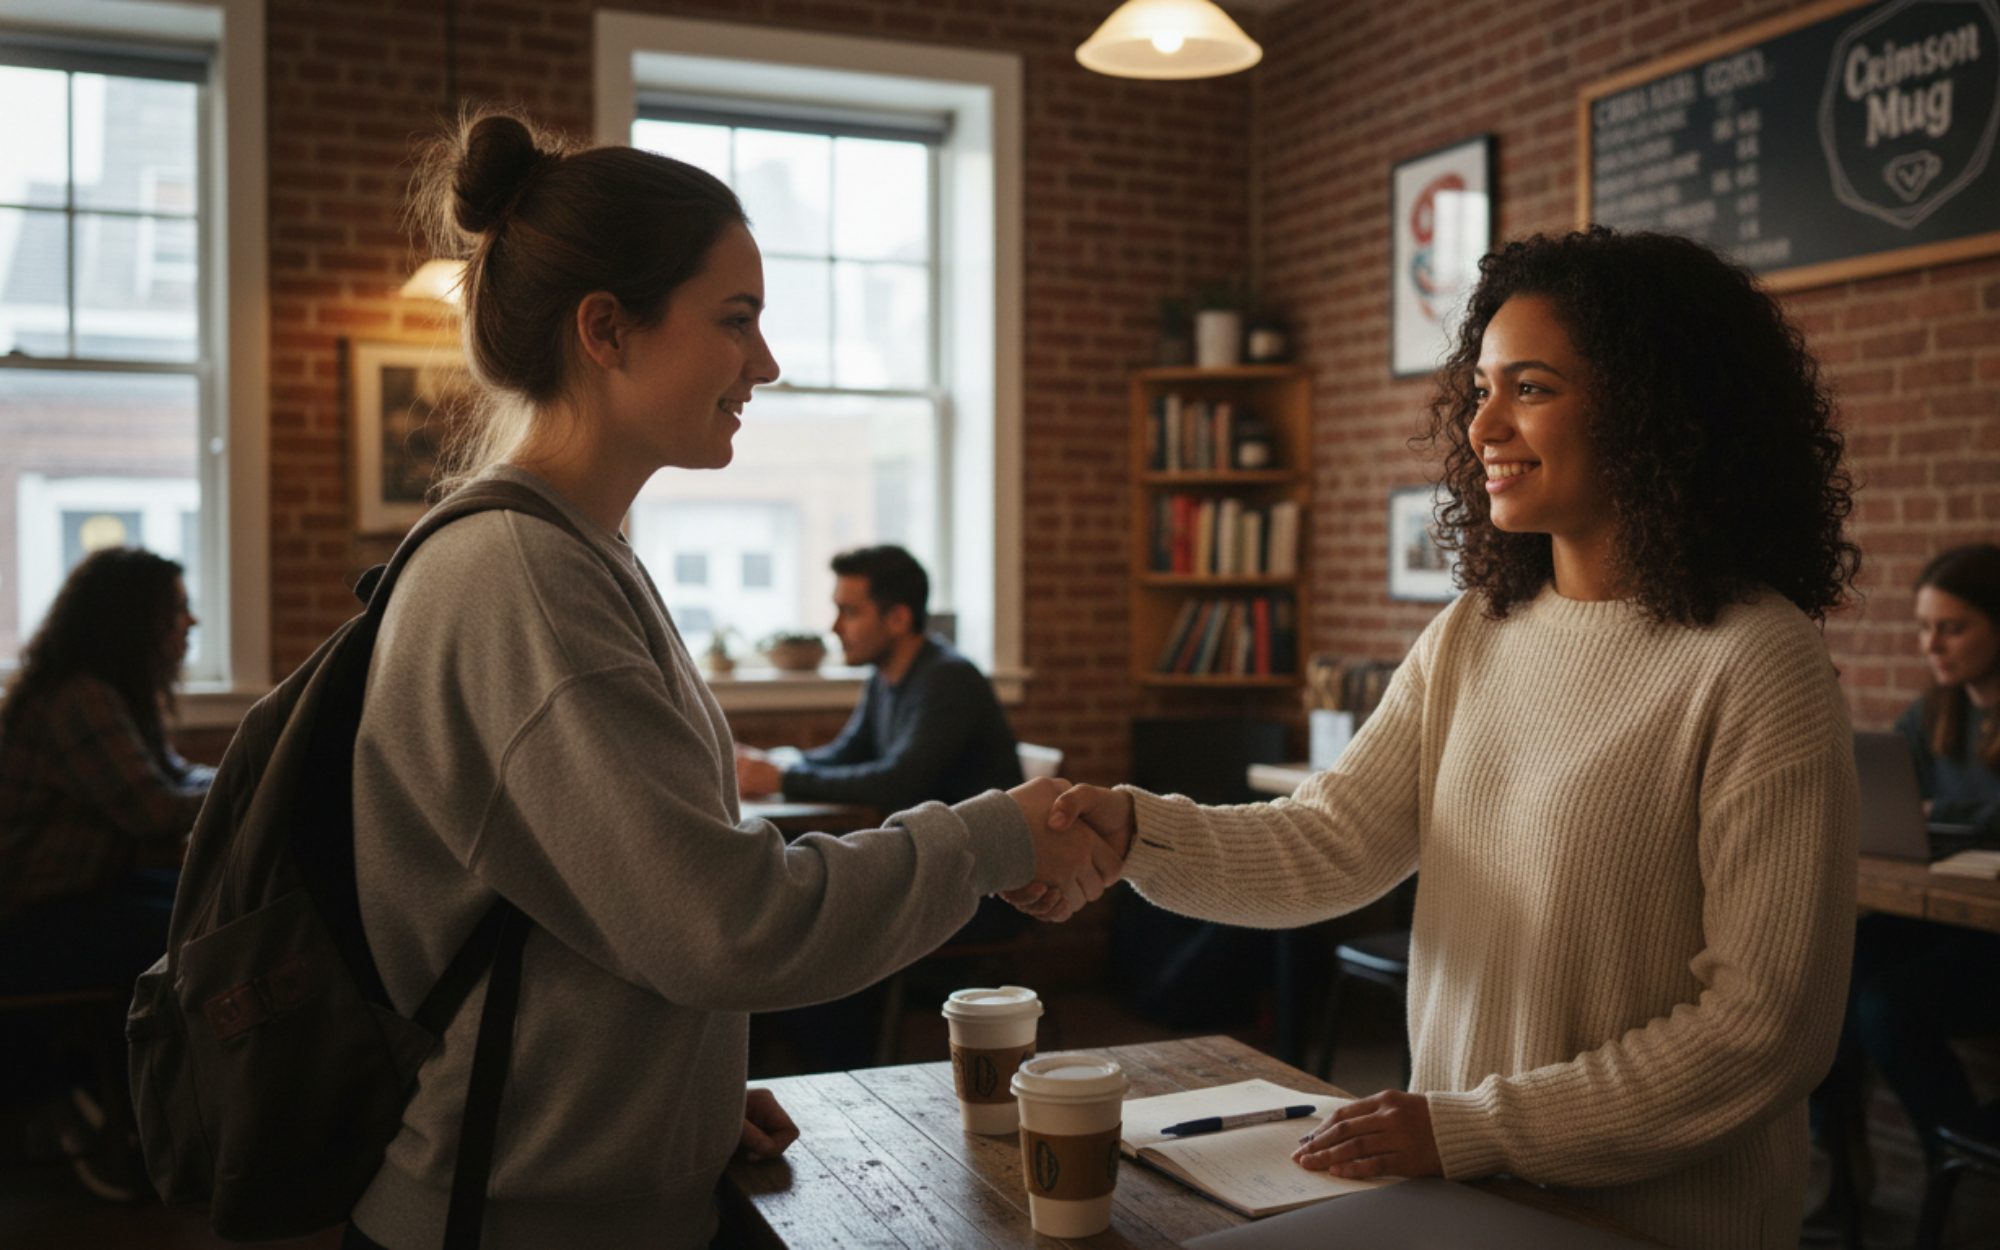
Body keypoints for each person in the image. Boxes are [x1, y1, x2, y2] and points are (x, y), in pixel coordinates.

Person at [346, 109, 1115, 1250]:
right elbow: (727, 924)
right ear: (606, 328)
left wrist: (682, 1097)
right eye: (736, 319)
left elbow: (611, 921)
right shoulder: (526, 580)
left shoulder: (575, 557)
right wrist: (992, 836)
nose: (765, 361)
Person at [1013, 227, 1863, 1250]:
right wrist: (1132, 832)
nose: (1483, 425)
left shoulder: (1757, 661)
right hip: (1462, 1194)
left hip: (1643, 1222)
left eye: (1531, 389)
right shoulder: (1473, 631)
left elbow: (1765, 1033)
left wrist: (1468, 1128)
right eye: (1481, 389)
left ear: (1657, 409)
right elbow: (1328, 842)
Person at [0, 545, 211, 1195]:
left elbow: (177, 776)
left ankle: (129, 1106)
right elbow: (153, 811)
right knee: (189, 932)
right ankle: (118, 1113)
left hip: (76, 897)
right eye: (176, 609)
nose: (192, 622)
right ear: (133, 619)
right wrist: (250, 781)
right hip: (25, 921)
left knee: (200, 908)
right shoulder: (80, 700)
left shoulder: (111, 692)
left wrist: (240, 775)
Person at [1821, 544, 2000, 1175]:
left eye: (1952, 628)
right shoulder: (1934, 712)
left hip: (1989, 937)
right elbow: (1891, 792)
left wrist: (1945, 813)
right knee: (1826, 970)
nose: (1932, 646)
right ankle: (1837, 1157)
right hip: (1942, 923)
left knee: (1884, 1004)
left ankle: (1951, 1166)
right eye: (1925, 628)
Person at [734, 544, 1023, 817]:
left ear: (898, 619)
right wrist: (776, 762)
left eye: (850, 612)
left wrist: (783, 779)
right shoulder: (883, 676)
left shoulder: (950, 680)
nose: (835, 627)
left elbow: (898, 784)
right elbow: (848, 754)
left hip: (978, 850)